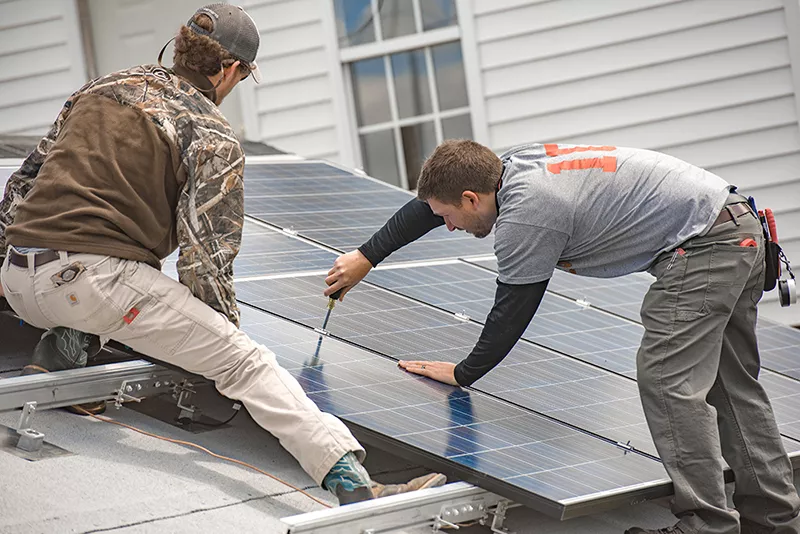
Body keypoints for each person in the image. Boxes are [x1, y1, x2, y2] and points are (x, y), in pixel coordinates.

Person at [0, 3, 444, 506]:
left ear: (181, 43)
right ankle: (355, 484)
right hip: (91, 283)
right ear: (231, 69)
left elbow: (22, 183)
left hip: (17, 278)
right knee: (245, 362)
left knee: (132, 276)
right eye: (243, 76)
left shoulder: (102, 86)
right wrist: (218, 336)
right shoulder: (209, 132)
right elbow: (204, 259)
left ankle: (56, 353)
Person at [324, 140, 800, 533]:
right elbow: (428, 208)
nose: (447, 227)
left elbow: (513, 311)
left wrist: (464, 372)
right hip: (735, 226)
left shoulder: (527, 214)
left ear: (471, 199)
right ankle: (773, 518)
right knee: (731, 385)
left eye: (450, 217)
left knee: (666, 378)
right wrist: (368, 255)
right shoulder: (507, 168)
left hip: (704, 247)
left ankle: (706, 525)